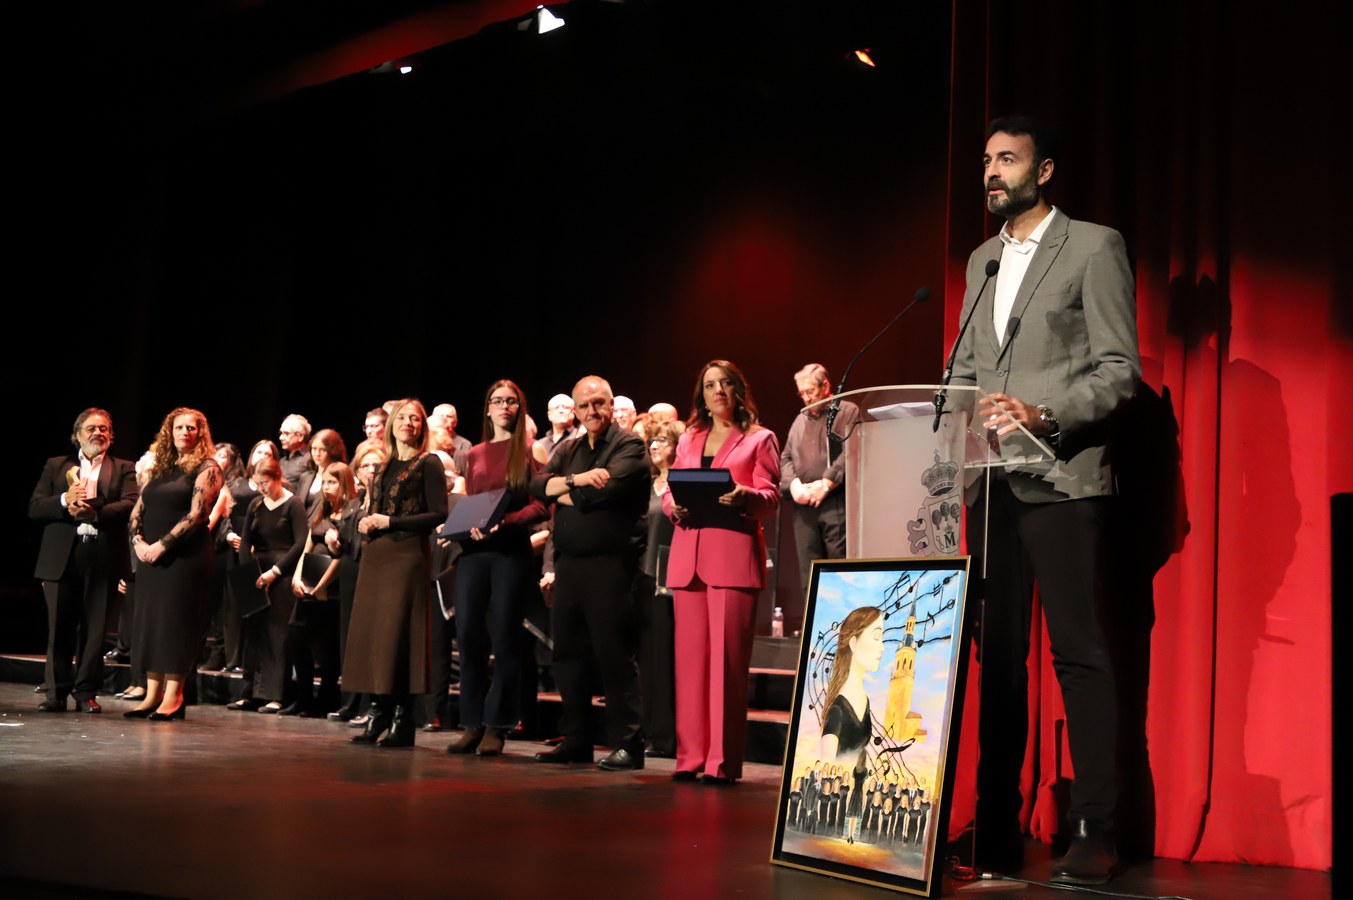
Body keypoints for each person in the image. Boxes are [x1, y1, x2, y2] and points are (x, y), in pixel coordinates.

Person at [949, 116, 1140, 884]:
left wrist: (1042, 413)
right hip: (988, 484)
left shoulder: (1093, 246)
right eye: (986, 160)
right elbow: (964, 366)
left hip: (1059, 478)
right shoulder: (981, 260)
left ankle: (1096, 827)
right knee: (995, 660)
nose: (991, 172)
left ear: (1045, 169)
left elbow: (1117, 369)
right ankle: (993, 826)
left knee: (1078, 653)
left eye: (1007, 159)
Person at [663, 360, 780, 783]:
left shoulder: (759, 438)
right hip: (689, 557)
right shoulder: (690, 436)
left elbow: (770, 496)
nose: (718, 391)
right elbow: (671, 487)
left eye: (725, 384)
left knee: (727, 666)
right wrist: (670, 506)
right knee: (690, 666)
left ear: (738, 390)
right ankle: (689, 758)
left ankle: (721, 763)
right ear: (702, 394)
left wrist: (744, 495)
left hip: (732, 558)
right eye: (710, 385)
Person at [530, 375, 651, 770]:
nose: (592, 411)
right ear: (576, 410)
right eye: (585, 405)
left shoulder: (629, 444)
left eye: (599, 403)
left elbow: (607, 491)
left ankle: (629, 745)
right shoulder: (570, 448)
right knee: (567, 655)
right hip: (570, 565)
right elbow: (535, 485)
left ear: (611, 405)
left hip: (610, 565)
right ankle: (577, 740)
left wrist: (566, 491)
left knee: (613, 654)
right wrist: (578, 482)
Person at [446, 380, 548, 757]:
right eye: (497, 400)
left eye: (511, 401)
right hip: (474, 552)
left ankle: (496, 724)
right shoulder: (474, 453)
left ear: (520, 408)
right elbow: (475, 501)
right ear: (488, 408)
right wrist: (460, 525)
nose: (504, 406)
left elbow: (542, 505)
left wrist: (506, 523)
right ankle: (471, 722)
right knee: (469, 634)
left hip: (509, 552)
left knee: (505, 639)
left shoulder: (529, 449)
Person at [342, 399, 447, 748]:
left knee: (400, 636)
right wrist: (367, 521)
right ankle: (377, 715)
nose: (409, 423)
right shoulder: (384, 464)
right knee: (376, 637)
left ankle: (403, 721)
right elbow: (376, 507)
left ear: (422, 426)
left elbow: (438, 514)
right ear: (391, 424)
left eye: (415, 418)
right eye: (402, 417)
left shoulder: (428, 463)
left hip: (406, 556)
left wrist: (391, 522)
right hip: (377, 556)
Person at [28, 408, 140, 714]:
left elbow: (130, 504)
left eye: (104, 429)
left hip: (101, 554)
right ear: (77, 434)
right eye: (91, 428)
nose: (98, 433)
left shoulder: (123, 468)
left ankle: (86, 692)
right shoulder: (56, 466)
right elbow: (36, 507)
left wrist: (96, 513)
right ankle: (56, 692)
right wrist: (65, 500)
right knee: (59, 627)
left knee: (95, 630)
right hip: (62, 555)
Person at [125, 408, 223, 720]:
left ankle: (174, 695)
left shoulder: (208, 467)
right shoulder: (162, 467)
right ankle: (152, 693)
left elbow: (196, 515)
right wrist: (139, 542)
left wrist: (162, 545)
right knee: (152, 623)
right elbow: (138, 509)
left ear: (200, 432)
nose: (184, 432)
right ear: (170, 432)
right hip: (151, 556)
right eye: (179, 427)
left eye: (191, 428)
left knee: (176, 624)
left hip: (184, 557)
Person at [780, 363, 858, 590]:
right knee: (809, 571)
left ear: (825, 386)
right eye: (801, 393)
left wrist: (826, 483)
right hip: (804, 506)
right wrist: (794, 486)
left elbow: (853, 450)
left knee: (839, 570)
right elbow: (785, 458)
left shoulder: (846, 411)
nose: (805, 398)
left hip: (836, 501)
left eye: (810, 391)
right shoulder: (799, 420)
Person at [638, 418, 684, 757]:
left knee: (669, 659)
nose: (654, 446)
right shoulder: (648, 485)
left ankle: (669, 738)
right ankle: (651, 732)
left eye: (662, 441)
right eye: (652, 441)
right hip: (644, 579)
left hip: (673, 582)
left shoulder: (681, 485)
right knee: (649, 660)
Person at [819, 605, 884, 761]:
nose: (882, 647)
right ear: (853, 643)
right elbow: (826, 766)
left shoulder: (864, 699)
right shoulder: (838, 709)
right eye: (876, 637)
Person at [277, 414, 312, 487]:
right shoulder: (282, 460)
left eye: (286, 433)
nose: (281, 437)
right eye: (281, 433)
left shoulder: (310, 459)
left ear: (300, 436)